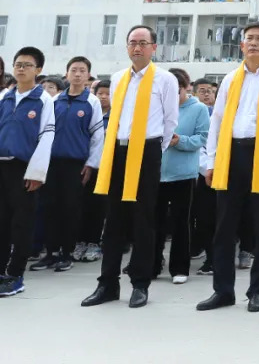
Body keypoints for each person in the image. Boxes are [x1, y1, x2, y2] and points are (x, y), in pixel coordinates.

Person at [197, 21, 259, 314]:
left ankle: (258, 291)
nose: (253, 42)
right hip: (231, 155)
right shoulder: (230, 79)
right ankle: (223, 291)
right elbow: (217, 121)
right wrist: (211, 161)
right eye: (249, 38)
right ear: (241, 45)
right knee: (224, 227)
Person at [82, 27, 180, 309]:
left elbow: (170, 122)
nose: (137, 48)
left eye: (143, 43)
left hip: (147, 151)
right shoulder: (118, 78)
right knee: (113, 219)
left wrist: (154, 150)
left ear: (153, 47)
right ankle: (107, 284)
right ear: (127, 47)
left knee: (143, 220)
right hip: (118, 150)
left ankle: (140, 283)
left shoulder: (166, 79)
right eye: (132, 43)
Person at [33, 56, 103, 274]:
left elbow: (97, 136)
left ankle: (66, 253)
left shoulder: (92, 102)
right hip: (51, 163)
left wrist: (91, 164)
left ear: (88, 75)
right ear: (67, 73)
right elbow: (43, 132)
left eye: (82, 70)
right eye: (74, 70)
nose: (78, 74)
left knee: (70, 209)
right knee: (49, 208)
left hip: (76, 164)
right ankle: (50, 253)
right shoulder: (55, 101)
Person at [0, 47, 56, 296]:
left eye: (27, 65)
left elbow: (47, 137)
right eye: (18, 64)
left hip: (24, 170)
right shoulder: (5, 97)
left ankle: (15, 275)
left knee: (22, 224)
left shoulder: (43, 100)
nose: (21, 69)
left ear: (38, 70)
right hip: (1, 166)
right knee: (1, 223)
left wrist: (36, 173)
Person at [154, 68, 208, 284]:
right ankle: (152, 264)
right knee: (153, 222)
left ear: (186, 88)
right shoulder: (157, 106)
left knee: (180, 222)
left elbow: (202, 138)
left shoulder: (198, 109)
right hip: (156, 173)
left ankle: (179, 268)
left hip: (183, 174)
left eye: (178, 90)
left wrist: (181, 141)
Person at [76, 80, 112, 263]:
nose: (103, 97)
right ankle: (80, 241)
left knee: (99, 207)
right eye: (100, 93)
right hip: (86, 165)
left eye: (108, 93)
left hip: (106, 169)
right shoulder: (90, 113)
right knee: (83, 205)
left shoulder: (117, 116)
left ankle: (94, 243)